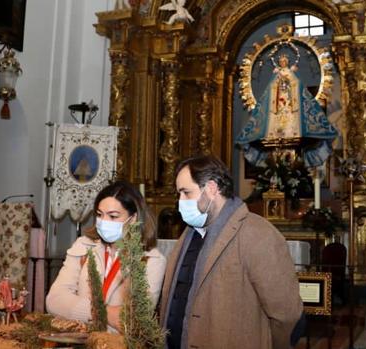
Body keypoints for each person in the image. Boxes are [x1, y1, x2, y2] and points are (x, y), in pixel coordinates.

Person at [159, 155, 303, 349]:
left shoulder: (258, 233)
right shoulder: (188, 234)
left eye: (186, 192)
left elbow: (286, 313)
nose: (180, 202)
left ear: (211, 189)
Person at [46, 181, 166, 331]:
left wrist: (77, 307)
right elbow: (54, 300)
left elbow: (134, 319)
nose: (104, 222)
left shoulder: (151, 260)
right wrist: (103, 312)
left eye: (113, 216)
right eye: (99, 215)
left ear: (133, 218)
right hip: (77, 339)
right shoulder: (83, 246)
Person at [236, 52, 338, 168]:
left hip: (290, 106)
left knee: (291, 122)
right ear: (279, 63)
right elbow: (270, 91)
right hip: (278, 106)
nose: (283, 63)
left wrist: (288, 82)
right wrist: (278, 83)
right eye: (281, 62)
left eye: (284, 61)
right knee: (275, 121)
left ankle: (292, 133)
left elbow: (297, 87)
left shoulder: (291, 73)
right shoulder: (276, 75)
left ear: (288, 62)